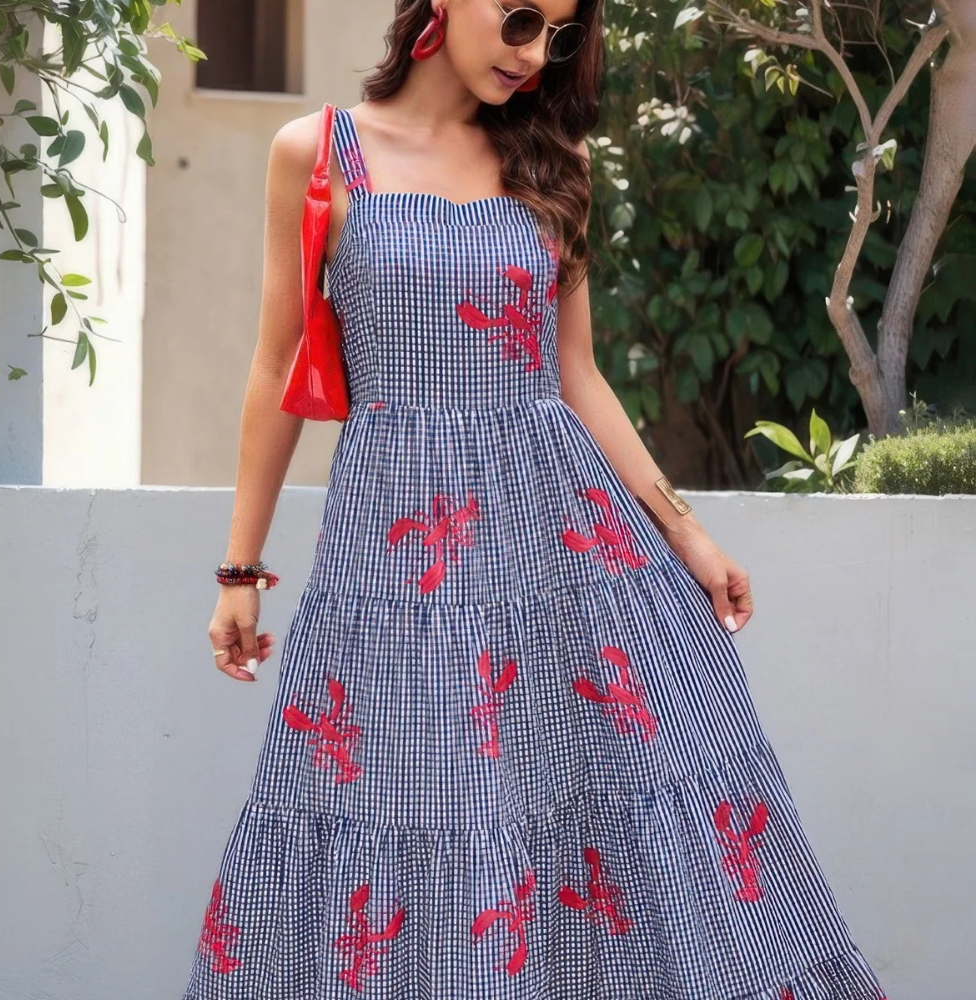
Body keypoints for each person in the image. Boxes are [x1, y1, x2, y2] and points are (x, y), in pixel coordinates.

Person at [182, 2, 888, 998]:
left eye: (556, 33)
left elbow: (577, 374)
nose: (534, 54)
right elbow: (274, 368)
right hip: (398, 564)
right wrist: (239, 569)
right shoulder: (319, 153)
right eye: (518, 20)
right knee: (402, 812)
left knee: (575, 822)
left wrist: (684, 534)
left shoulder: (555, 160)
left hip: (558, 557)